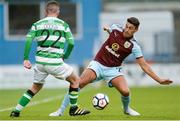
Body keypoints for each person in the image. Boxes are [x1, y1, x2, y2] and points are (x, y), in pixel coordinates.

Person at [49, 17, 173, 117]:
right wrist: (107, 29)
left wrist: (159, 80)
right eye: (126, 26)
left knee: (125, 91)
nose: (126, 29)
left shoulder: (134, 46)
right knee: (78, 83)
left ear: (135, 30)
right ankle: (60, 111)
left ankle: (126, 109)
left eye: (130, 28)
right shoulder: (115, 28)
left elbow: (144, 66)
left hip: (113, 70)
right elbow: (112, 32)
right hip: (97, 64)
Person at [10, 0, 90, 117]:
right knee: (75, 80)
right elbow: (71, 43)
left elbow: (28, 40)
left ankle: (16, 111)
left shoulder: (37, 24)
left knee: (35, 87)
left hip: (40, 63)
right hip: (55, 62)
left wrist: (26, 58)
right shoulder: (63, 25)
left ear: (46, 11)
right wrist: (66, 55)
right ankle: (74, 109)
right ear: (58, 11)